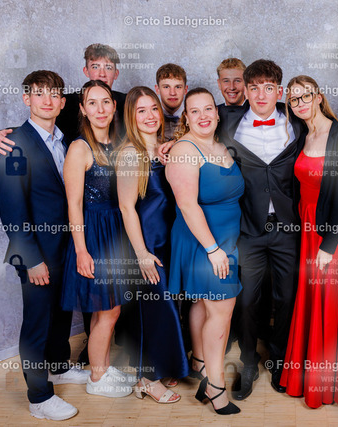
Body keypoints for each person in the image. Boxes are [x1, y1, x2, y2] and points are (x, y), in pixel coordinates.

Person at [0, 70, 89, 421]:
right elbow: (12, 211)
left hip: (64, 247)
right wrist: (31, 259)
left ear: (63, 103)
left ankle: (58, 367)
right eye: (39, 93)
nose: (47, 100)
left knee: (61, 312)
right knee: (36, 322)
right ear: (26, 99)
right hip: (36, 252)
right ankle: (39, 396)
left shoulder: (66, 141)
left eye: (54, 95)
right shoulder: (12, 145)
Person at [214, 59, 307, 400]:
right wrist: (168, 145)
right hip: (247, 228)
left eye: (268, 88)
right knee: (248, 300)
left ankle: (280, 360)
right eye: (254, 88)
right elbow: (195, 135)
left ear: (279, 91)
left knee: (286, 298)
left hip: (288, 228)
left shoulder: (299, 122)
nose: (261, 95)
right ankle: (249, 363)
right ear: (246, 90)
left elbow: (331, 145)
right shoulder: (226, 122)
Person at [277, 76, 338, 408]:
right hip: (305, 225)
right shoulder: (303, 134)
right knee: (309, 298)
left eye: (305, 96)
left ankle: (329, 386)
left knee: (329, 300)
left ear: (319, 97)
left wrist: (328, 246)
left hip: (329, 231)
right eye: (294, 99)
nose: (300, 103)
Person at [166, 88, 244, 415]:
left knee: (204, 304)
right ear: (186, 117)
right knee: (221, 313)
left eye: (208, 108)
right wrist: (213, 249)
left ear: (216, 111)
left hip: (225, 240)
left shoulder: (221, 145)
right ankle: (215, 386)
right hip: (205, 241)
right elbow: (186, 204)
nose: (203, 116)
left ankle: (200, 364)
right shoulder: (184, 149)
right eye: (194, 111)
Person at [61, 80, 137, 398]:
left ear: (114, 105)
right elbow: (74, 204)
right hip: (93, 233)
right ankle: (97, 377)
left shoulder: (117, 145)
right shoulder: (80, 148)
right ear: (83, 109)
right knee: (108, 310)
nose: (100, 109)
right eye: (92, 103)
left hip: (114, 230)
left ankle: (101, 367)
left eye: (105, 101)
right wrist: (81, 250)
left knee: (106, 308)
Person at [116, 86, 189, 403]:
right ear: (131, 117)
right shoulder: (130, 154)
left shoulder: (165, 148)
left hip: (170, 238)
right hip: (147, 243)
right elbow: (126, 207)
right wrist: (142, 253)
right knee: (155, 307)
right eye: (141, 111)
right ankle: (146, 379)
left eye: (153, 109)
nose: (149, 116)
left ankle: (166, 364)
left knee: (167, 305)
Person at [0, 43, 127, 156]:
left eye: (108, 67)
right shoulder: (67, 102)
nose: (102, 74)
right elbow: (38, 127)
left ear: (116, 73)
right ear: (86, 71)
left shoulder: (127, 102)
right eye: (95, 67)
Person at [154, 63, 188, 141]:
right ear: (157, 89)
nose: (172, 93)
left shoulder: (195, 117)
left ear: (185, 90)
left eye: (178, 87)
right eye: (166, 87)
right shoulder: (149, 118)